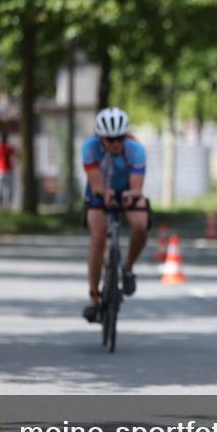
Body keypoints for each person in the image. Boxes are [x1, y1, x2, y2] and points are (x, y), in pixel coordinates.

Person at [81, 108, 151, 322]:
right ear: (100, 137)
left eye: (120, 138)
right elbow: (96, 185)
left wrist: (132, 195)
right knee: (98, 238)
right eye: (110, 139)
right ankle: (94, 296)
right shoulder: (90, 147)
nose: (115, 143)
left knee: (141, 224)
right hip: (99, 191)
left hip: (127, 190)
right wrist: (104, 194)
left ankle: (127, 268)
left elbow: (137, 188)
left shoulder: (136, 150)